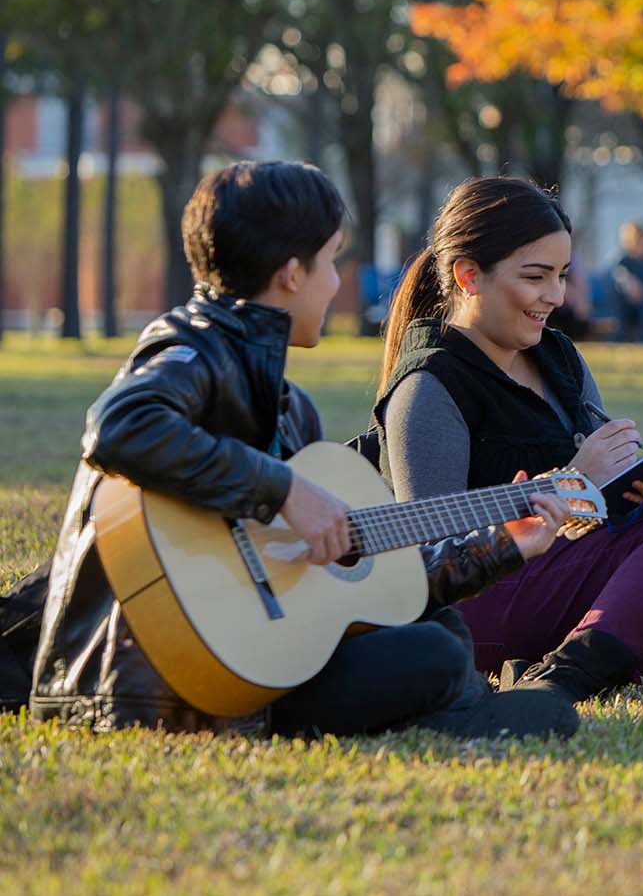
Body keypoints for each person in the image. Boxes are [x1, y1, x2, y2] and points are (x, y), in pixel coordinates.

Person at [31, 161, 580, 738]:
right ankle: (468, 715)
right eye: (334, 260)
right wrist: (286, 490)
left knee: (436, 631)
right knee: (439, 657)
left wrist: (499, 544)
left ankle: (463, 712)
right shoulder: (190, 351)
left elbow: (364, 578)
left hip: (254, 667)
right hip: (145, 687)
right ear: (293, 274)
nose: (338, 283)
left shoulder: (290, 407)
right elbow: (119, 425)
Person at [373, 177, 643, 709]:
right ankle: (570, 679)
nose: (555, 297)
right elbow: (429, 551)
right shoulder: (429, 384)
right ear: (469, 276)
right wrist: (570, 480)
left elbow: (604, 507)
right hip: (481, 602)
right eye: (535, 277)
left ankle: (575, 664)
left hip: (575, 589)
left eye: (561, 276)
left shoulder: (558, 358)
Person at [610, 220, 643, 343]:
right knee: (617, 290)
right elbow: (618, 274)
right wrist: (630, 284)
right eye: (642, 239)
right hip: (628, 301)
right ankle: (620, 336)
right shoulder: (625, 260)